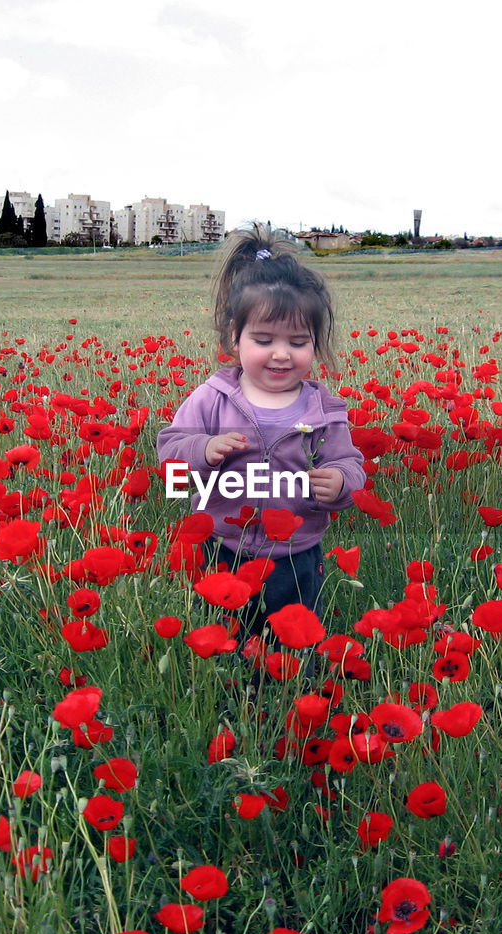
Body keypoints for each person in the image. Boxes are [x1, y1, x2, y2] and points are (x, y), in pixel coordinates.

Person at [156, 223, 365, 646]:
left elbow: (349, 463)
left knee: (293, 648)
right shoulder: (212, 399)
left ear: (315, 344)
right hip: (223, 549)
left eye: (299, 341)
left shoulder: (324, 411)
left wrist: (340, 482)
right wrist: (203, 449)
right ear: (235, 336)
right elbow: (170, 455)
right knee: (224, 645)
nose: (282, 354)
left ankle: (287, 705)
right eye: (264, 339)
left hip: (297, 556)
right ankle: (233, 706)